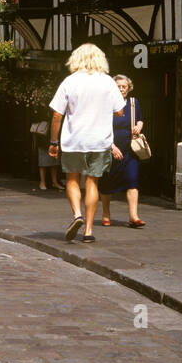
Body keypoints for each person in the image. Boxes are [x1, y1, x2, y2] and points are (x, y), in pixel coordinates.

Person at [48, 44, 126, 243]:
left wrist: (53, 142)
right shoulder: (108, 82)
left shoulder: (70, 81)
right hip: (99, 141)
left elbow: (57, 114)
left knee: (72, 179)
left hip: (74, 140)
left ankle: (77, 215)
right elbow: (120, 111)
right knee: (93, 182)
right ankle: (89, 231)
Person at [99, 75, 146, 227]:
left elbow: (139, 119)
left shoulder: (133, 103)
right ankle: (106, 214)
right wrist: (111, 147)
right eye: (118, 86)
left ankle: (133, 216)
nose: (121, 89)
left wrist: (139, 126)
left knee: (132, 181)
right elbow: (99, 127)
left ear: (128, 88)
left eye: (124, 86)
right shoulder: (106, 105)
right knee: (106, 183)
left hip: (129, 149)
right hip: (110, 149)